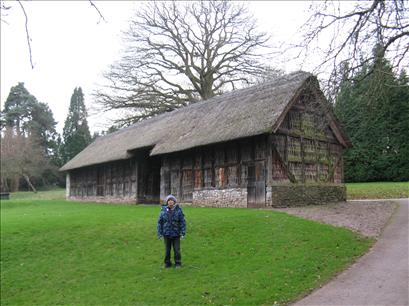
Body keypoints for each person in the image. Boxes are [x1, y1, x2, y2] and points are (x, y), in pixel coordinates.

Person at [157, 194, 186, 268]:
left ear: (174, 202)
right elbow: (160, 222)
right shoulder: (163, 211)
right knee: (167, 250)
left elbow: (182, 222)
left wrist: (183, 233)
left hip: (176, 234)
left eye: (172, 200)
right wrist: (159, 233)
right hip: (166, 233)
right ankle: (167, 263)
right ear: (167, 202)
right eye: (169, 200)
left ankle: (178, 263)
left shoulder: (178, 210)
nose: (170, 202)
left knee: (177, 250)